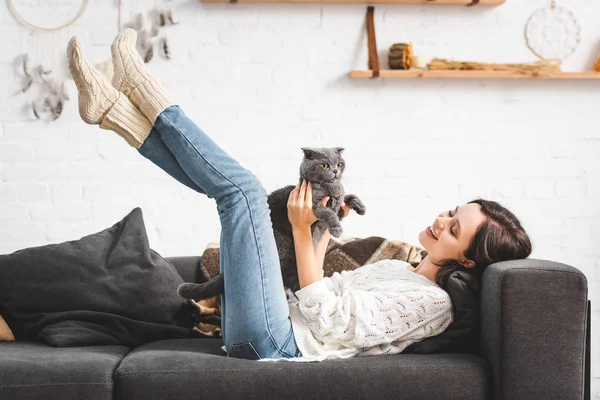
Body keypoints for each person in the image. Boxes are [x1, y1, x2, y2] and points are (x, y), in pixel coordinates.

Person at [66, 29, 532, 362]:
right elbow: (326, 291)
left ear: (467, 260)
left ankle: (142, 90)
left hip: (275, 342)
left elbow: (327, 321)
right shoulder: (400, 268)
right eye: (451, 212)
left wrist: (296, 228)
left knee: (243, 190)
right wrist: (321, 231)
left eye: (454, 229)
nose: (440, 221)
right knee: (229, 194)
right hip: (268, 321)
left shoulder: (433, 304)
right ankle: (111, 112)